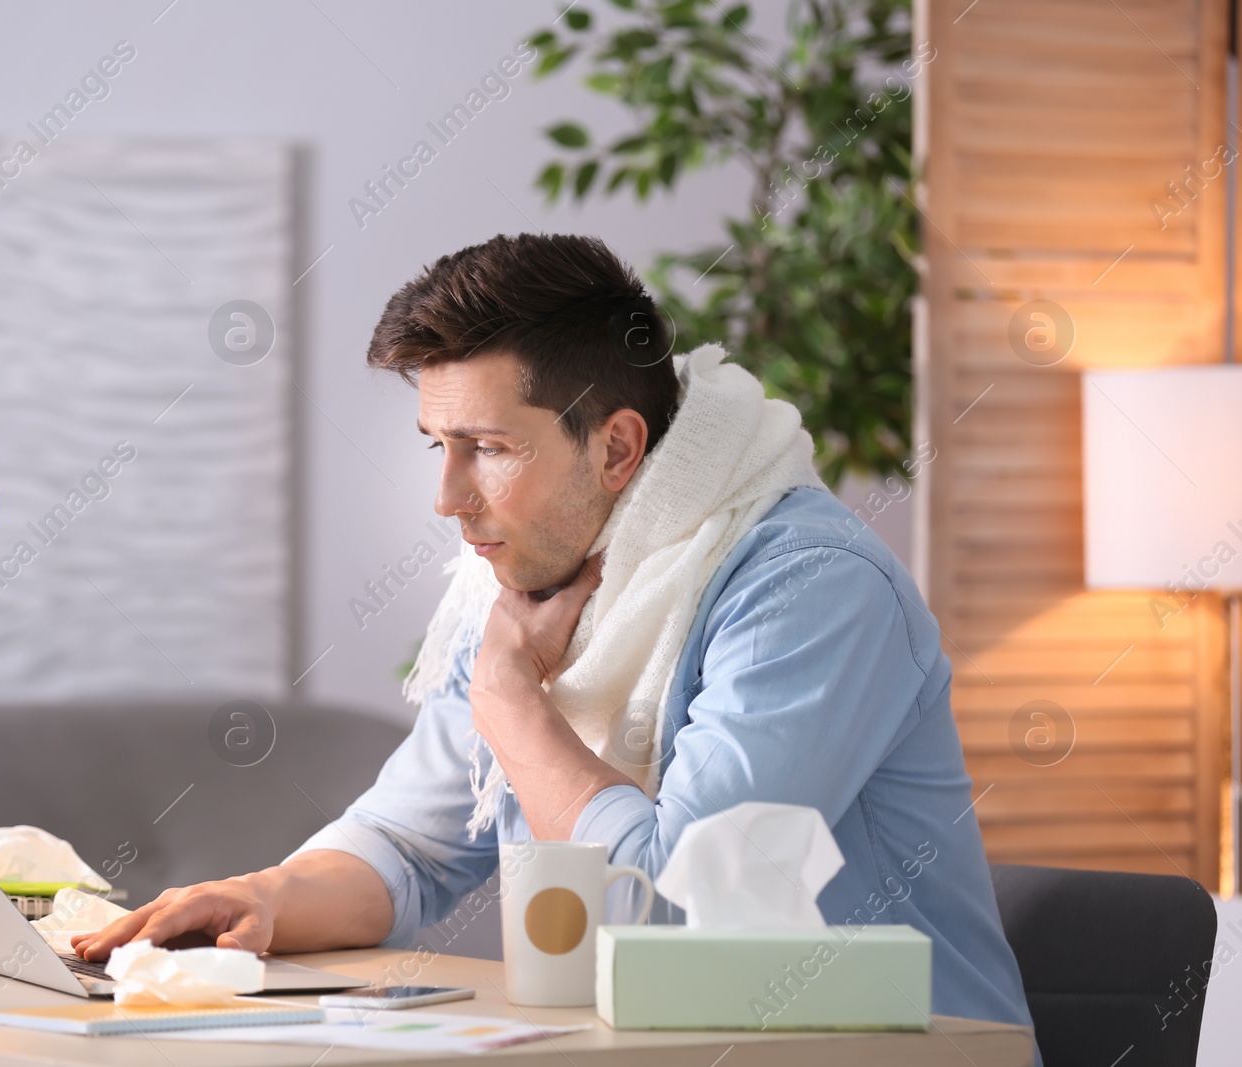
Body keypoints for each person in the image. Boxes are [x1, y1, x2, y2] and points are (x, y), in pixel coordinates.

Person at [73, 232, 1034, 1035]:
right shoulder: (526, 582)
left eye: (489, 449)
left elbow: (678, 901)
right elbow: (411, 845)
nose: (448, 499)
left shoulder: (809, 588)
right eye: (437, 447)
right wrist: (268, 898)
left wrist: (513, 709)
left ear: (616, 447)